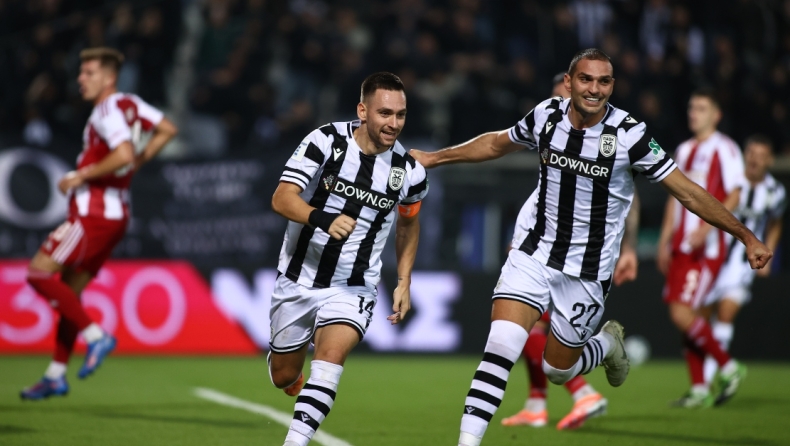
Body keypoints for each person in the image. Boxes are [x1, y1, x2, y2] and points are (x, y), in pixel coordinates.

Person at [410, 48, 771, 446]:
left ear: (612, 86)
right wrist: (434, 158)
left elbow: (686, 192)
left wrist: (746, 235)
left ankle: (607, 344)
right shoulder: (547, 115)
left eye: (604, 81)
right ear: (569, 83)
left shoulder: (630, 135)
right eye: (585, 79)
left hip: (587, 273)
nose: (594, 89)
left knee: (557, 369)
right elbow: (497, 144)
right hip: (534, 254)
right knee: (500, 346)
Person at [268, 72, 428, 446]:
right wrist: (322, 218)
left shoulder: (409, 172)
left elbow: (408, 225)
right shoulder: (325, 141)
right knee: (283, 375)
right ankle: (292, 375)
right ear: (363, 111)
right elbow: (281, 197)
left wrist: (404, 280)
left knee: (329, 360)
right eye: (385, 113)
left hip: (354, 285)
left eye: (401, 115)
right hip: (298, 276)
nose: (393, 124)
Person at [20, 47, 178, 400]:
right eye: (81, 72)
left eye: (89, 72)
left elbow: (122, 153)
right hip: (116, 216)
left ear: (109, 77)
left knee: (38, 273)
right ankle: (55, 375)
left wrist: (81, 175)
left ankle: (96, 336)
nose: (81, 79)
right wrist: (136, 164)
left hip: (93, 213)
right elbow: (167, 129)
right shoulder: (130, 103)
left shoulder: (106, 110)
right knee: (69, 295)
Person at [501, 72, 640, 430]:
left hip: (579, 263)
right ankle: (538, 402)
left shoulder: (612, 141)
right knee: (529, 330)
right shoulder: (550, 133)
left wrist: (629, 247)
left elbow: (629, 195)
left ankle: (582, 392)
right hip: (540, 250)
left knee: (538, 338)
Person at [656, 89, 747, 408]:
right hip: (681, 247)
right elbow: (674, 197)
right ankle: (698, 388)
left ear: (716, 115)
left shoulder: (726, 148)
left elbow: (736, 194)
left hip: (706, 249)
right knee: (686, 316)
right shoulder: (683, 150)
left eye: (701, 108)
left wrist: (707, 229)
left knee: (682, 313)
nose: (693, 113)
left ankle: (729, 367)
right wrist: (664, 241)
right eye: (692, 107)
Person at [701, 134, 785, 405]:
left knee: (725, 314)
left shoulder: (775, 192)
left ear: (769, 161)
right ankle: (703, 381)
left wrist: (770, 250)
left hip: (741, 266)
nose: (755, 160)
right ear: (745, 155)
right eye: (751, 154)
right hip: (714, 258)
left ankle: (712, 380)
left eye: (761, 156)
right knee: (701, 319)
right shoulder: (732, 180)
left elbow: (776, 223)